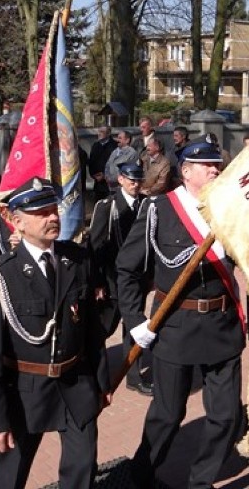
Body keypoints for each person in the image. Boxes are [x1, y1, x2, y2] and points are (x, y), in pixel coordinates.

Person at [117, 136, 246, 488]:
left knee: (226, 416)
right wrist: (134, 323)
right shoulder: (159, 210)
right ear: (187, 172)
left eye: (217, 164)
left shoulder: (231, 210)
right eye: (208, 165)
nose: (216, 169)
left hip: (222, 324)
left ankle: (200, 483)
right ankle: (141, 475)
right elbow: (127, 270)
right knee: (167, 414)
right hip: (175, 325)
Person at [0, 177, 110, 489]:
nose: (52, 217)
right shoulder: (0, 274)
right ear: (17, 222)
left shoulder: (78, 259)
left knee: (83, 467)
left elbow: (91, 329)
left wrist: (102, 382)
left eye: (53, 209)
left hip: (76, 381)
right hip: (25, 388)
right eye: (41, 212)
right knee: (11, 472)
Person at [88, 161, 152, 395]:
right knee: (103, 329)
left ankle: (133, 376)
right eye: (131, 180)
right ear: (121, 180)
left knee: (133, 327)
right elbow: (94, 247)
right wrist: (97, 282)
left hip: (137, 279)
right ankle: (93, 375)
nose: (135, 184)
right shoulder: (107, 206)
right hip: (112, 281)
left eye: (138, 180)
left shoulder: (146, 204)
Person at [88, 125, 117, 202]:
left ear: (108, 134)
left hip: (111, 184)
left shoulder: (115, 146)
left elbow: (116, 164)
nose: (99, 134)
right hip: (98, 184)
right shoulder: (95, 146)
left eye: (102, 132)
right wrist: (94, 175)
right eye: (99, 132)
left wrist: (105, 175)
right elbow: (91, 162)